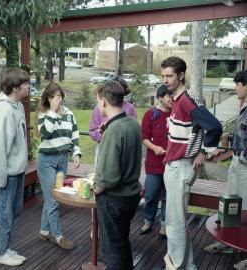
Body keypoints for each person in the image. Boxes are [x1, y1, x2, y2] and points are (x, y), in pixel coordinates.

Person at [161, 56, 223, 270]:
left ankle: (176, 266)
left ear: (180, 75)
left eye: (169, 76)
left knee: (175, 224)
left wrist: (204, 152)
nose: (165, 80)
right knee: (175, 222)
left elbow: (214, 126)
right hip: (177, 166)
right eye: (163, 76)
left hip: (180, 167)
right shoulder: (178, 99)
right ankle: (186, 265)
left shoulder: (186, 100)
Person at [93, 80, 142, 270]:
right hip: (131, 195)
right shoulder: (131, 123)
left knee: (112, 249)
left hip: (114, 199)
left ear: (104, 101)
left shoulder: (114, 130)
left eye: (98, 101)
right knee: (122, 242)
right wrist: (108, 130)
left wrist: (96, 188)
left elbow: (108, 177)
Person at [0, 68, 30, 266]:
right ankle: (0, 253)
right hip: (6, 174)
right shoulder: (4, 111)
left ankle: (5, 247)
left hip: (18, 170)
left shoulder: (17, 105)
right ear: (15, 88)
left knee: (14, 212)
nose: (29, 86)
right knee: (4, 215)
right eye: (26, 84)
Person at [204, 70, 247, 270]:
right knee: (231, 205)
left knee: (246, 211)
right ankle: (227, 244)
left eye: (238, 84)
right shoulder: (244, 109)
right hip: (236, 163)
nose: (236, 88)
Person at [35, 82, 81, 250]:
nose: (58, 100)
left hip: (63, 159)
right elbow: (46, 134)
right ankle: (58, 236)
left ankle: (44, 230)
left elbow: (74, 134)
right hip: (46, 160)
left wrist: (76, 152)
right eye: (54, 97)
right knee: (53, 199)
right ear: (48, 98)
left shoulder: (69, 113)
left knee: (52, 196)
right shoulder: (43, 114)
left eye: (60, 96)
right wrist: (53, 113)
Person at [139, 85, 172, 238]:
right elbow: (143, 137)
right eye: (168, 96)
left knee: (167, 197)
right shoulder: (150, 115)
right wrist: (154, 148)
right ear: (160, 98)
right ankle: (148, 220)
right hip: (154, 164)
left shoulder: (176, 115)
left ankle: (164, 224)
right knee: (151, 194)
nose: (171, 98)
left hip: (171, 165)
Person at [89, 76, 137, 166]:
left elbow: (132, 132)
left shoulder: (130, 108)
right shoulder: (98, 108)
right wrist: (104, 138)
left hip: (124, 150)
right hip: (103, 147)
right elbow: (92, 130)